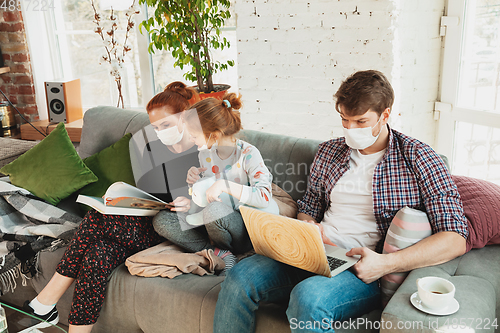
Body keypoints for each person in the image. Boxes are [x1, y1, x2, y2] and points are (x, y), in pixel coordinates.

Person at [213, 70, 469, 333]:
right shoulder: (329, 152)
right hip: (314, 252)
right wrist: (310, 228)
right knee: (239, 276)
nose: (351, 129)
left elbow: (456, 237)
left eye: (361, 121)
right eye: (344, 120)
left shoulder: (419, 158)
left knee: (308, 297)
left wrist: (385, 264)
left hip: (362, 269)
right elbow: (309, 209)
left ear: (385, 115)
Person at [22, 82, 199, 333]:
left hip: (174, 233)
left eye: (167, 125)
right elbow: (150, 195)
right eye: (156, 127)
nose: (160, 132)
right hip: (145, 225)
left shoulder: (204, 150)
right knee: (98, 254)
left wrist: (191, 202)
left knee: (98, 217)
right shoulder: (155, 150)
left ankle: (45, 301)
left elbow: (217, 204)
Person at [153, 93, 279, 271]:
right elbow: (206, 196)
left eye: (193, 135)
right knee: (162, 220)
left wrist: (224, 185)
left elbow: (264, 196)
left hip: (241, 227)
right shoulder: (205, 153)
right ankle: (219, 254)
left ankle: (229, 253)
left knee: (214, 211)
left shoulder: (248, 154)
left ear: (214, 135)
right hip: (210, 222)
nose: (190, 140)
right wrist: (193, 184)